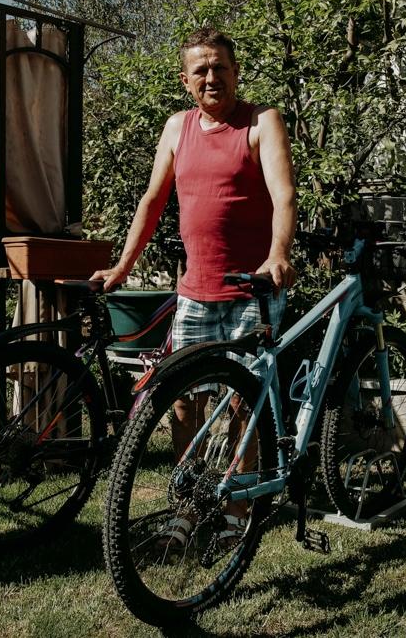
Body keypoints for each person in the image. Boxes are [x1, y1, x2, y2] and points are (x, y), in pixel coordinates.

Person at [91, 27, 297, 551]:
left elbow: (284, 194)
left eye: (220, 67)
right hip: (195, 292)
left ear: (236, 72)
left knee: (244, 407)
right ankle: (185, 509)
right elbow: (152, 200)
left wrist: (278, 254)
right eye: (200, 70)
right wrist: (122, 267)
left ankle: (235, 512)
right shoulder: (177, 127)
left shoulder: (261, 121)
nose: (211, 77)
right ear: (186, 81)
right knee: (184, 405)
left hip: (251, 292)